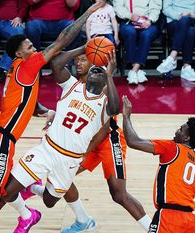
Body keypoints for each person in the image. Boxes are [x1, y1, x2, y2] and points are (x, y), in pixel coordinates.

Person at [0, 1, 106, 232]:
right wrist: (88, 15)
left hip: (1, 137)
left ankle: (27, 214)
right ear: (19, 53)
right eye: (30, 46)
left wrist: (44, 111)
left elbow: (25, 103)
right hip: (1, 139)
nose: (35, 49)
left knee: (1, 193)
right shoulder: (29, 64)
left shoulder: (18, 68)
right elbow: (61, 40)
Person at [2, 45, 119, 232]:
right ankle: (27, 215)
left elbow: (115, 109)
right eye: (94, 70)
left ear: (105, 80)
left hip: (69, 160)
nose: (96, 72)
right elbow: (56, 63)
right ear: (87, 76)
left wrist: (110, 75)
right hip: (46, 150)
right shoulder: (72, 86)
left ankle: (32, 188)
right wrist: (85, 47)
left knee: (49, 201)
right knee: (6, 191)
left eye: (101, 72)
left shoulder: (105, 104)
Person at [34, 50, 150, 232]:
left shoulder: (101, 84)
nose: (78, 63)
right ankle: (83, 220)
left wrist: (82, 153)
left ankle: (153, 228)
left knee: (118, 193)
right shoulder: (75, 83)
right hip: (85, 141)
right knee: (61, 177)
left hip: (108, 140)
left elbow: (103, 129)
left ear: (94, 63)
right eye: (77, 60)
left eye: (83, 60)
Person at [121, 95, 195, 233]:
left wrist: (126, 116)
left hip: (167, 219)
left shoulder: (172, 148)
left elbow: (133, 141)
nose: (176, 131)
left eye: (181, 129)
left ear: (187, 138)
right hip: (189, 223)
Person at [156, 0, 195, 81]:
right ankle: (186, 67)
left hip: (193, 19)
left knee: (186, 21)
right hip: (174, 20)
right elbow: (166, 8)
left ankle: (172, 57)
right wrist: (179, 16)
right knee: (189, 31)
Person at [114, 0, 161, 84]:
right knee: (130, 32)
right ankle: (137, 70)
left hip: (148, 20)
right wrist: (130, 15)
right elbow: (118, 7)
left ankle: (134, 71)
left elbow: (155, 7)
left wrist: (149, 20)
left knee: (146, 35)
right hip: (128, 20)